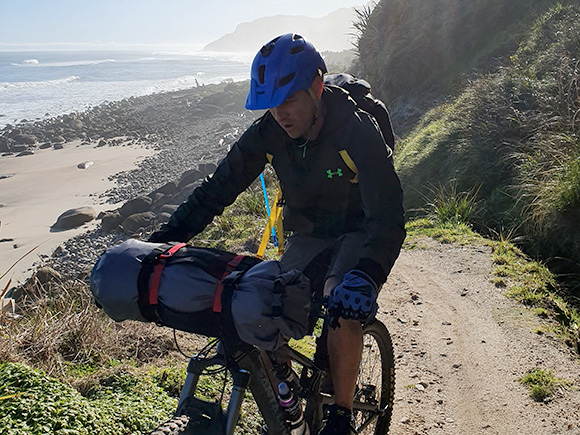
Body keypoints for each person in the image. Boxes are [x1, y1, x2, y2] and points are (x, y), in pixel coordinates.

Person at [149, 33, 405, 435]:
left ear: (317, 88)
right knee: (267, 303)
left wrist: (367, 275)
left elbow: (388, 216)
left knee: (340, 303)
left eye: (288, 101)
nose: (280, 114)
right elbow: (218, 189)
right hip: (307, 231)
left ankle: (339, 414)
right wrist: (164, 240)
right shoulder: (269, 131)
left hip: (359, 228)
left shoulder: (356, 131)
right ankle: (288, 402)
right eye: (271, 104)